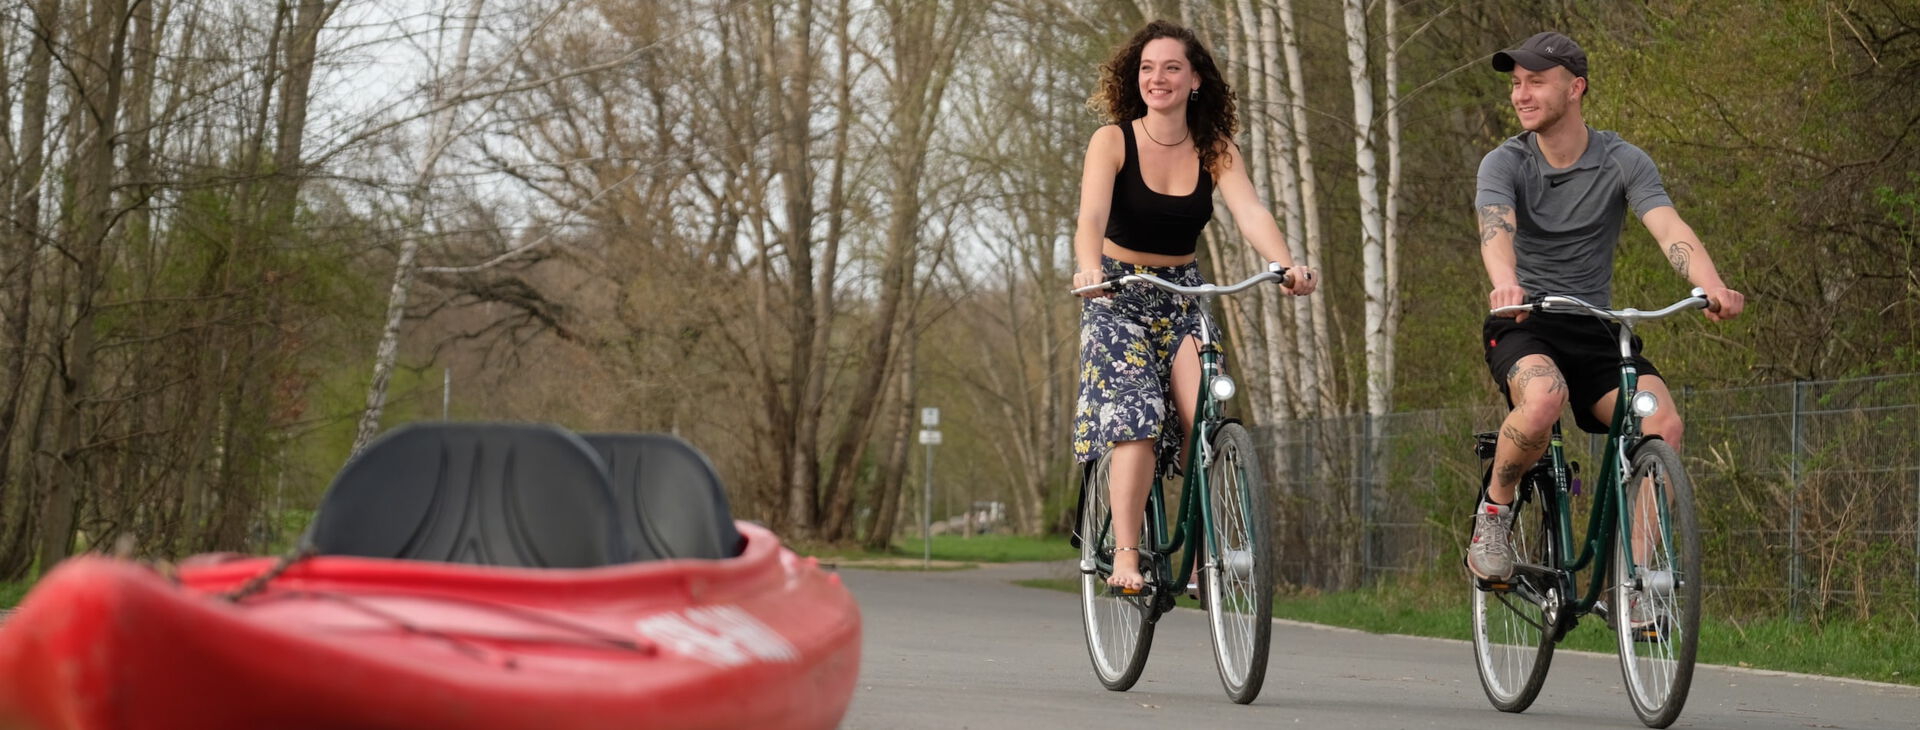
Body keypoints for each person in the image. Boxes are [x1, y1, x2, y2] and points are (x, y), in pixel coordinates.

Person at [1468, 32, 1746, 615]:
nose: (1521, 93)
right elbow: (1497, 233)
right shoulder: (1505, 162)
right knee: (1542, 398)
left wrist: (1710, 284)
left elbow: (1670, 230)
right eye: (1516, 83)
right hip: (1524, 320)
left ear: (1576, 87)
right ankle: (1495, 509)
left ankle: (1641, 582)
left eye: (1535, 81)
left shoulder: (1622, 160)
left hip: (1596, 326)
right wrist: (1507, 282)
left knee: (1661, 423)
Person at [1071, 19, 1317, 592]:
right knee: (1136, 418)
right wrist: (1088, 268)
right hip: (1116, 294)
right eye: (1148, 68)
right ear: (1138, 78)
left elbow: (1251, 212)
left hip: (1182, 293)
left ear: (1196, 80)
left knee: (1203, 415)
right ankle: (1127, 555)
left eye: (1172, 67)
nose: (1159, 78)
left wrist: (1286, 262)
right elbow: (1089, 219)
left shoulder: (1215, 149)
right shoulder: (1113, 141)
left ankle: (1208, 552)